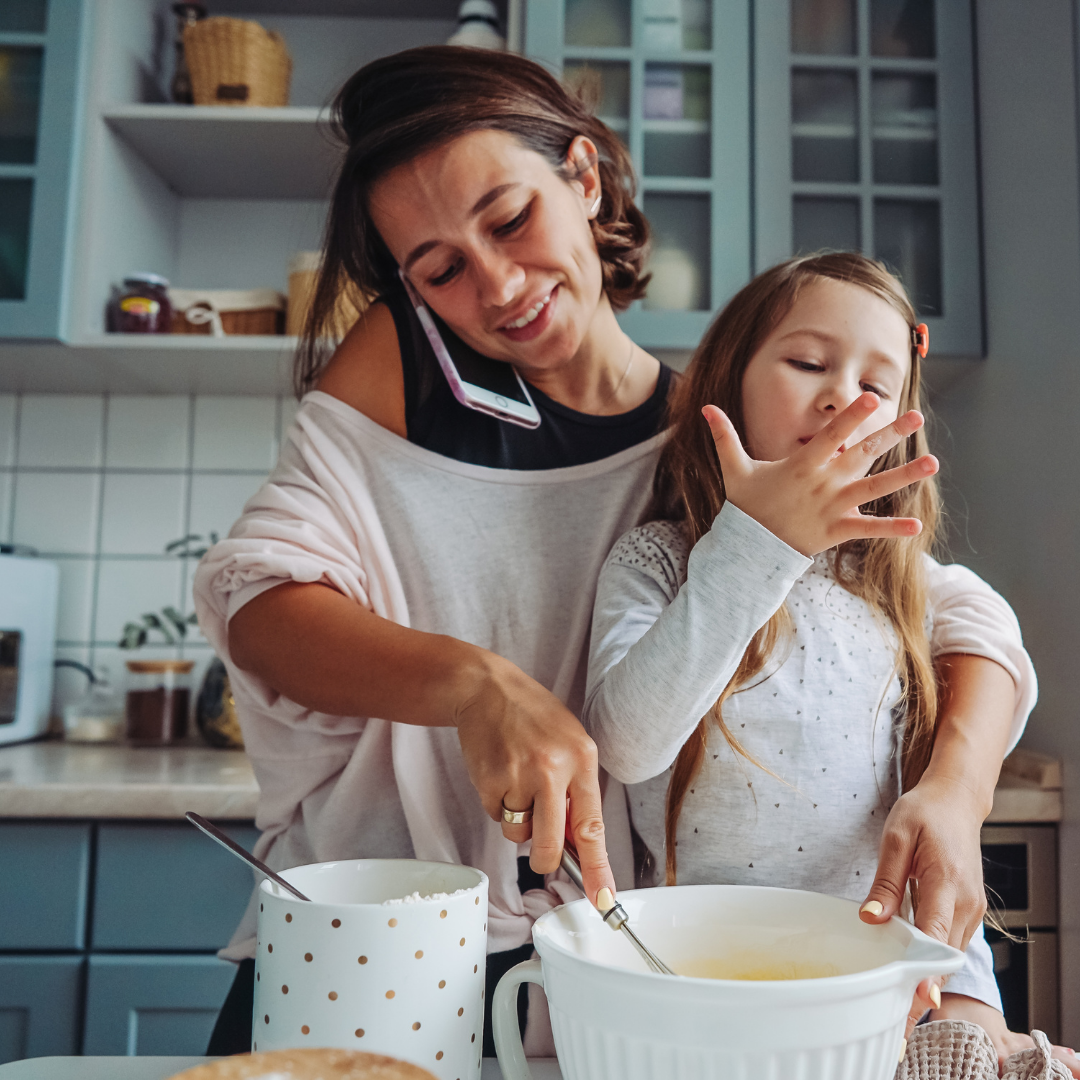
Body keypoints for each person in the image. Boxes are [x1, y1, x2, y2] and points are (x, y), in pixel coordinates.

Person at [192, 46, 1035, 1058]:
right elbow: (259, 609)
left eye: (510, 219)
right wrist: (476, 685)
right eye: (442, 269)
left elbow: (956, 614)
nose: (498, 285)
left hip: (587, 956)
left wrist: (958, 788)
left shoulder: (716, 442)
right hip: (372, 929)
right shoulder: (400, 369)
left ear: (584, 177)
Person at [583, 252, 1078, 1073]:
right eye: (808, 363)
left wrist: (956, 795)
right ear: (729, 379)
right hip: (715, 994)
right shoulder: (661, 563)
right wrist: (758, 540)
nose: (842, 397)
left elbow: (992, 629)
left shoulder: (891, 578)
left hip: (887, 995)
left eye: (876, 387)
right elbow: (630, 744)